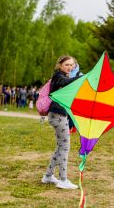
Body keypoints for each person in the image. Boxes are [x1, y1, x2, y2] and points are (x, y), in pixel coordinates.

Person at [41, 55, 80, 189]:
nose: (70, 67)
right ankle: (63, 180)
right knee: (65, 147)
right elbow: (65, 83)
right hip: (57, 116)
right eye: (67, 64)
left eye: (72, 65)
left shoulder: (65, 76)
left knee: (60, 147)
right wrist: (81, 77)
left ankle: (48, 176)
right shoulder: (58, 76)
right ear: (60, 65)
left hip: (59, 115)